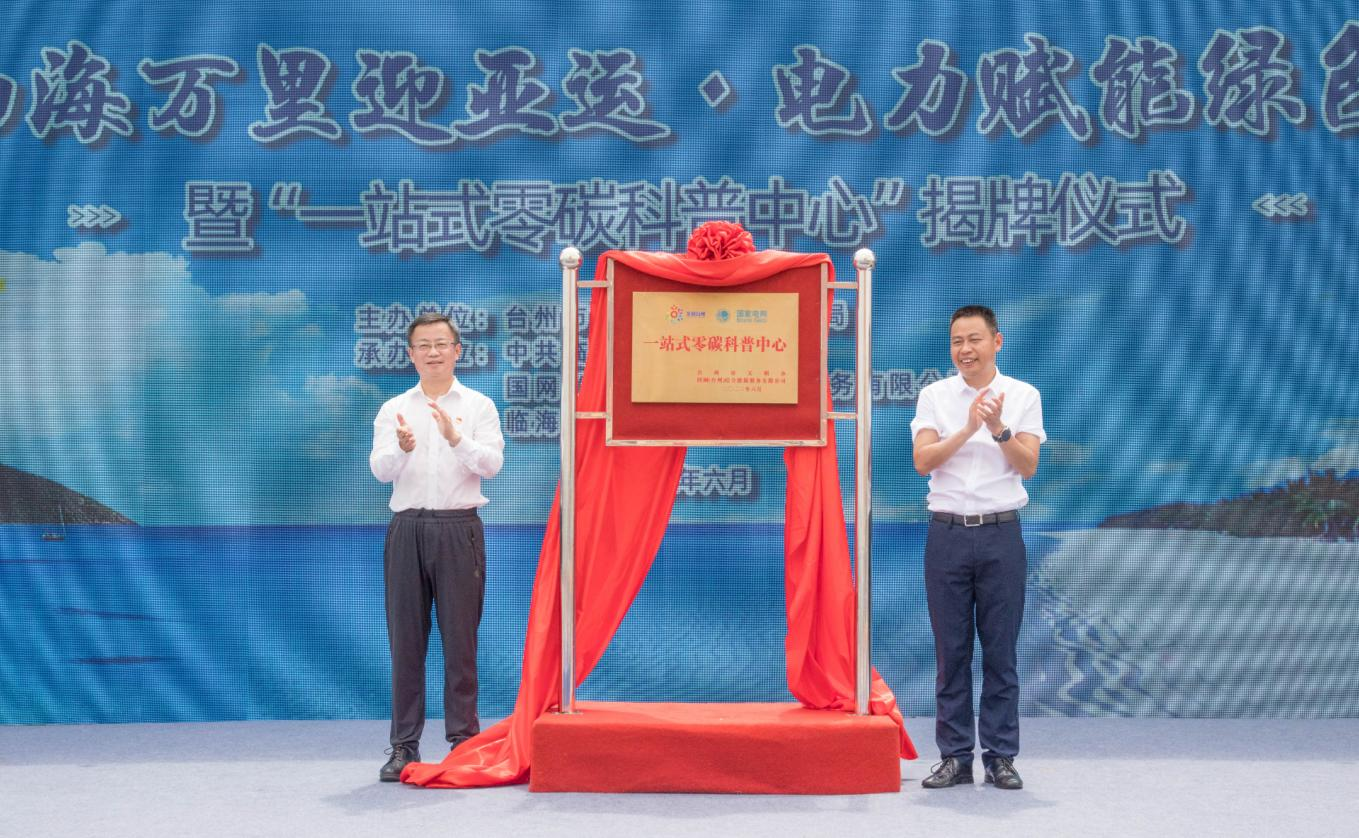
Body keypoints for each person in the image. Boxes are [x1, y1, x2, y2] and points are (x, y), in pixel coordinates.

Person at [910, 305, 1044, 791]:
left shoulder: (1024, 395)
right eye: (956, 341)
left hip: (1000, 535)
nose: (964, 350)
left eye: (974, 339)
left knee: (1000, 653)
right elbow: (923, 460)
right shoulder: (935, 396)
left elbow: (1027, 465)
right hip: (946, 535)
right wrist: (968, 427)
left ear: (997, 342)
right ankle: (955, 757)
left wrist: (998, 428)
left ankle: (1001, 756)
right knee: (951, 653)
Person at [369, 311, 504, 782]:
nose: (433, 352)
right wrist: (401, 449)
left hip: (458, 530)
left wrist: (455, 438)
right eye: (423, 345)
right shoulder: (394, 409)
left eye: (441, 344)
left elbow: (492, 465)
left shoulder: (479, 405)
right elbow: (380, 471)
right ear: (410, 355)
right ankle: (403, 746)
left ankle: (464, 742)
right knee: (406, 643)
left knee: (460, 642)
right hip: (407, 530)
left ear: (457, 351)